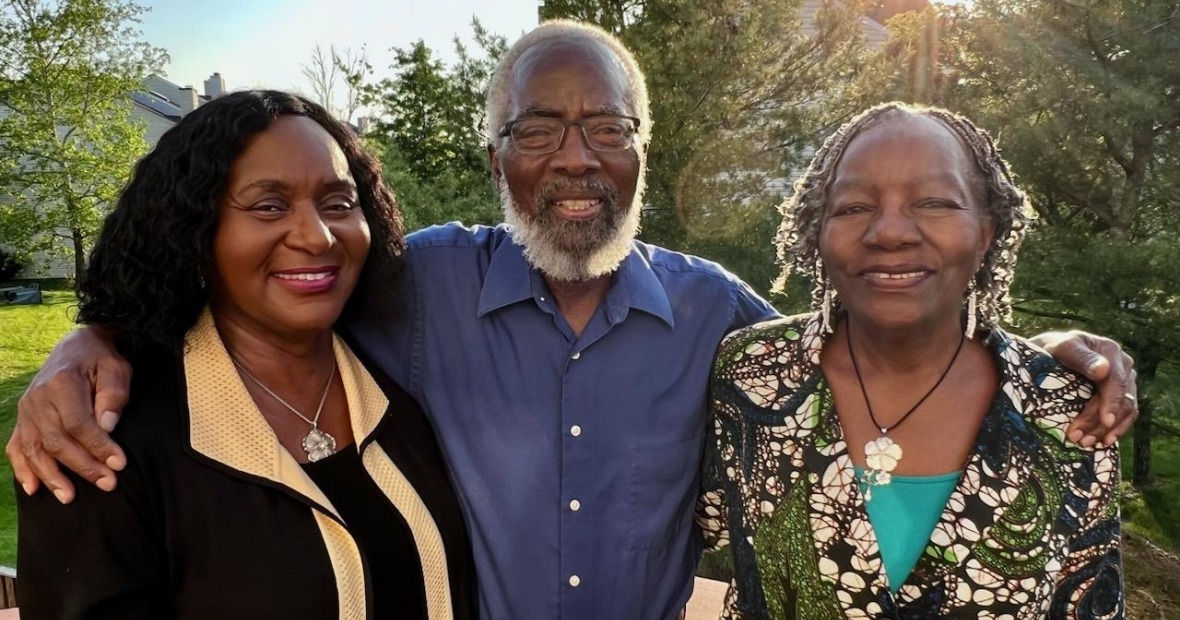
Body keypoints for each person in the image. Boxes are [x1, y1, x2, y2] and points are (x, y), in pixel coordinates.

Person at [9, 21, 1135, 620]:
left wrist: (1040, 355)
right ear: (495, 153)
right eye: (539, 129)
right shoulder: (413, 284)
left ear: (641, 145)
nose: (576, 158)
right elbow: (261, 279)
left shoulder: (720, 321)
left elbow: (878, 339)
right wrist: (93, 337)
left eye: (606, 126)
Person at [15, 90, 476, 619]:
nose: (318, 235)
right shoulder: (100, 440)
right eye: (268, 205)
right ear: (191, 229)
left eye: (338, 203)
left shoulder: (399, 394)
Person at [697, 103, 1123, 619]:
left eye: (935, 203)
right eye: (854, 208)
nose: (890, 232)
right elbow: (659, 530)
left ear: (986, 232)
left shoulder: (1067, 412)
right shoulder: (750, 374)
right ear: (818, 231)